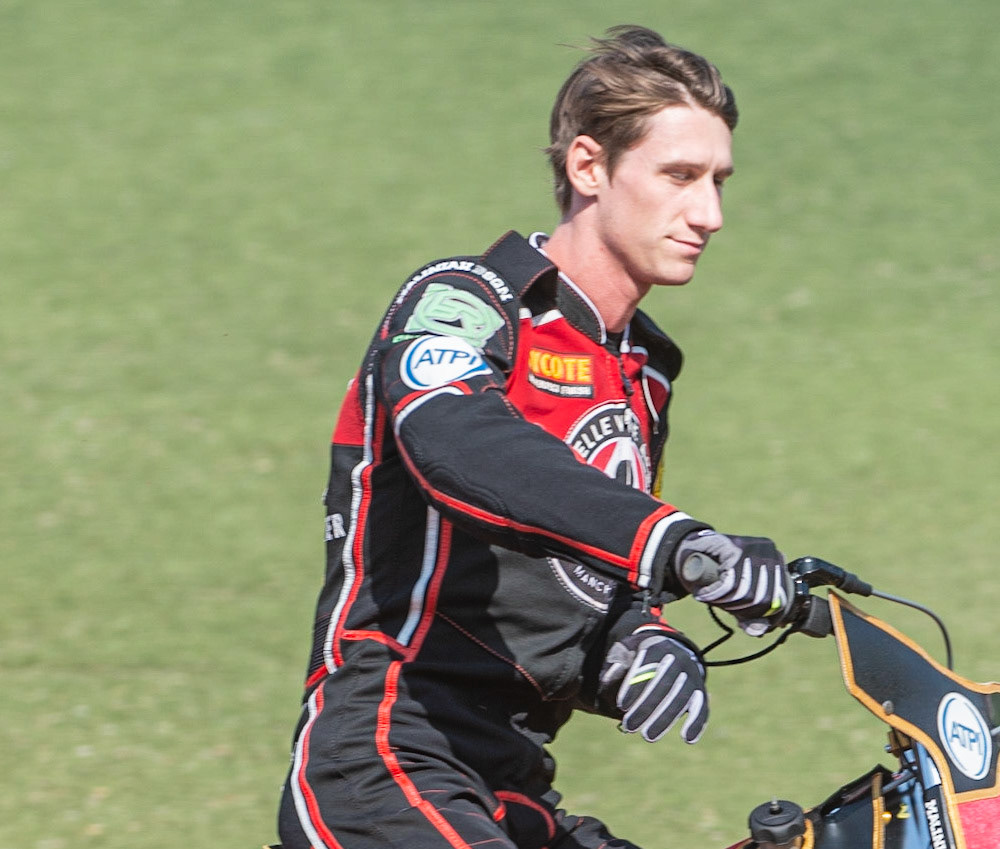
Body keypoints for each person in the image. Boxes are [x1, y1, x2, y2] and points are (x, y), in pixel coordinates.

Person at [277, 25, 796, 849]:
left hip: (511, 779)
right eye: (680, 176)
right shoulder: (469, 299)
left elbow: (574, 577)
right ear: (589, 167)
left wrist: (640, 642)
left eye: (719, 181)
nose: (710, 213)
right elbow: (459, 444)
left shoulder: (644, 372)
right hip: (388, 753)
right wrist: (678, 541)